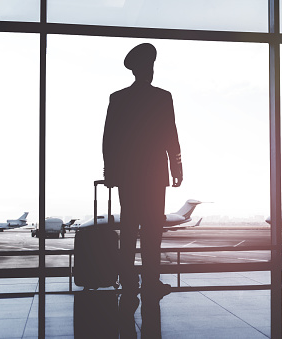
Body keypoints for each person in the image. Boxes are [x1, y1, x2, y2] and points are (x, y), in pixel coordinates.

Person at [102, 43, 183, 338]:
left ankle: (129, 284)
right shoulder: (163, 97)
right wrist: (177, 168)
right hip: (154, 176)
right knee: (152, 234)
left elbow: (109, 138)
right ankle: (150, 282)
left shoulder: (119, 98)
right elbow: (170, 134)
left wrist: (111, 172)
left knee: (129, 232)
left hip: (129, 177)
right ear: (146, 69)